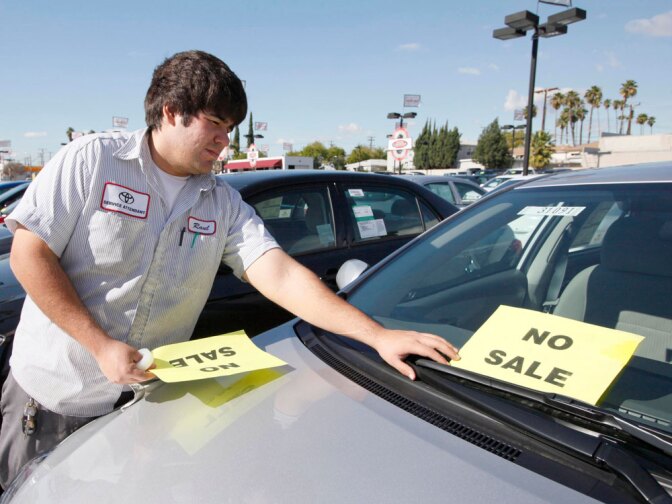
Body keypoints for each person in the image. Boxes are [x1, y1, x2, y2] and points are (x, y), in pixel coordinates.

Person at [0, 50, 459, 489]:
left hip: (141, 405)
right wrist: (99, 346)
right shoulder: (93, 161)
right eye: (216, 124)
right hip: (55, 399)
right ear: (171, 110)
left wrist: (377, 336)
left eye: (231, 127)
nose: (225, 140)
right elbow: (29, 254)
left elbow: (279, 275)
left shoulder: (221, 203)